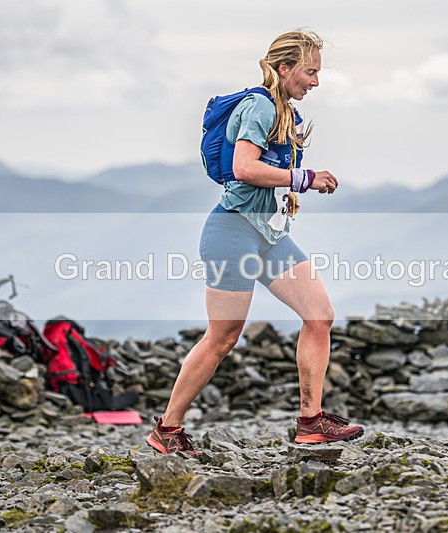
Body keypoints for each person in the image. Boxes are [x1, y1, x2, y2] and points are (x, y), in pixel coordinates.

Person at [146, 30, 363, 455]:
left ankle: (311, 422)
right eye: (310, 72)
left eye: (318, 73)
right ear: (284, 68)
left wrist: (302, 181)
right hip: (231, 233)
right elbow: (244, 168)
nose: (315, 82)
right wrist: (306, 178)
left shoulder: (285, 113)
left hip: (267, 235)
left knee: (319, 315)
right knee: (223, 337)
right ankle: (167, 430)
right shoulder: (260, 106)